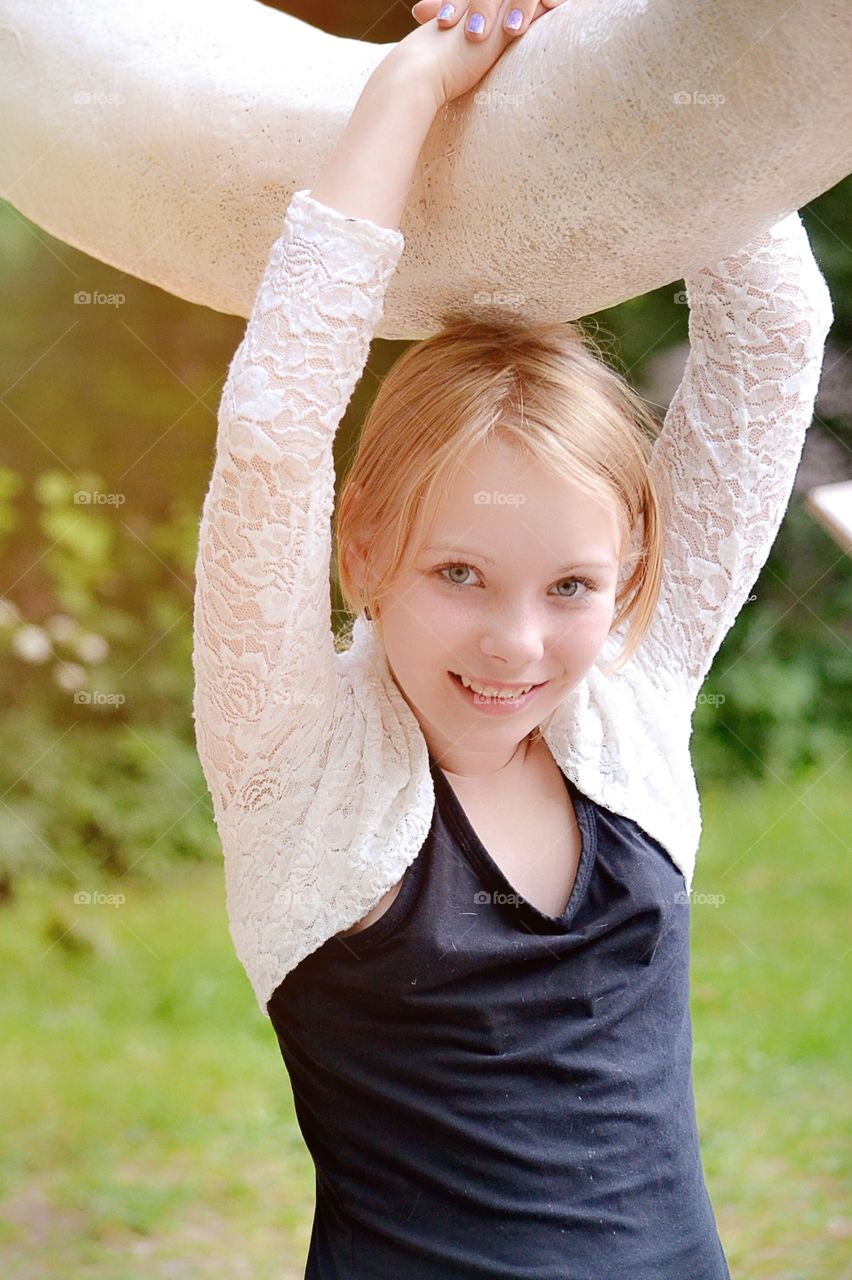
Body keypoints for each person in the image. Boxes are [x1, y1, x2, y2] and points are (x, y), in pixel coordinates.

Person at [191, 2, 834, 1276]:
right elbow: (272, 437)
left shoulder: (631, 697)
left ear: (629, 576)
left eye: (573, 585)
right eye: (460, 573)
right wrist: (408, 91)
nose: (518, 643)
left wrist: (622, 37)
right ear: (361, 550)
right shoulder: (294, 765)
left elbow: (774, 334)